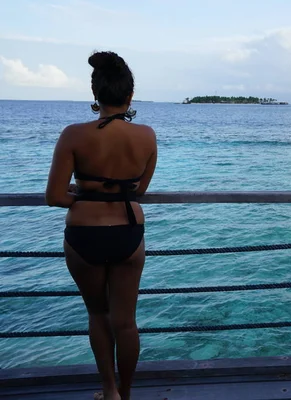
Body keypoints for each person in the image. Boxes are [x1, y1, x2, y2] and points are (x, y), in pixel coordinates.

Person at [45, 51, 157, 400]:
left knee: (98, 314)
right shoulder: (146, 136)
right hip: (127, 232)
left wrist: (82, 192)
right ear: (130, 95)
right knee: (126, 322)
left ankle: (109, 391)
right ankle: (126, 391)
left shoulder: (73, 135)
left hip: (84, 235)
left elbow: (54, 196)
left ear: (95, 95)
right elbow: (139, 190)